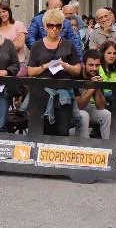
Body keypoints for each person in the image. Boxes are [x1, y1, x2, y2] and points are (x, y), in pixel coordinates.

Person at [27, 8, 81, 136]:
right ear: (45, 26)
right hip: (42, 93)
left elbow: (77, 70)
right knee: (43, 131)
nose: (54, 29)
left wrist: (66, 65)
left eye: (58, 26)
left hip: (63, 93)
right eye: (51, 25)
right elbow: (30, 71)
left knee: (62, 131)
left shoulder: (68, 45)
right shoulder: (37, 46)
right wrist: (45, 66)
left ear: (62, 27)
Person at [76, 50, 112, 140]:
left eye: (97, 65)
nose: (94, 68)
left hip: (87, 107)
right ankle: (85, 146)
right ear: (83, 65)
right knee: (84, 115)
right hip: (72, 109)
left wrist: (97, 88)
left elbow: (101, 106)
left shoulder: (97, 76)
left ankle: (107, 145)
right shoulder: (77, 76)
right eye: (91, 65)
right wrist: (92, 87)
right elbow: (79, 106)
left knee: (106, 114)